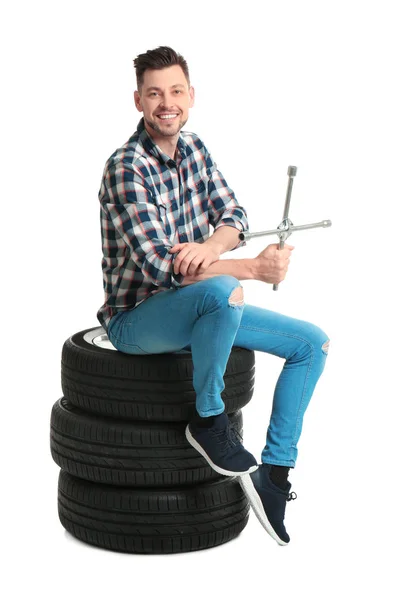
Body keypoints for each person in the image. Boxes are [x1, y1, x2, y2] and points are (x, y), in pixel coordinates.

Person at [96, 45, 330, 546]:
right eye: (155, 93)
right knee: (226, 289)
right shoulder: (126, 167)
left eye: (176, 91)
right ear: (138, 100)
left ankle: (276, 477)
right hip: (136, 319)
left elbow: (235, 215)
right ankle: (207, 419)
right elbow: (163, 269)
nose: (167, 103)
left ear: (191, 96)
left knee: (312, 343)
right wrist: (251, 267)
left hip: (203, 306)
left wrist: (208, 247)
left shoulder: (195, 148)